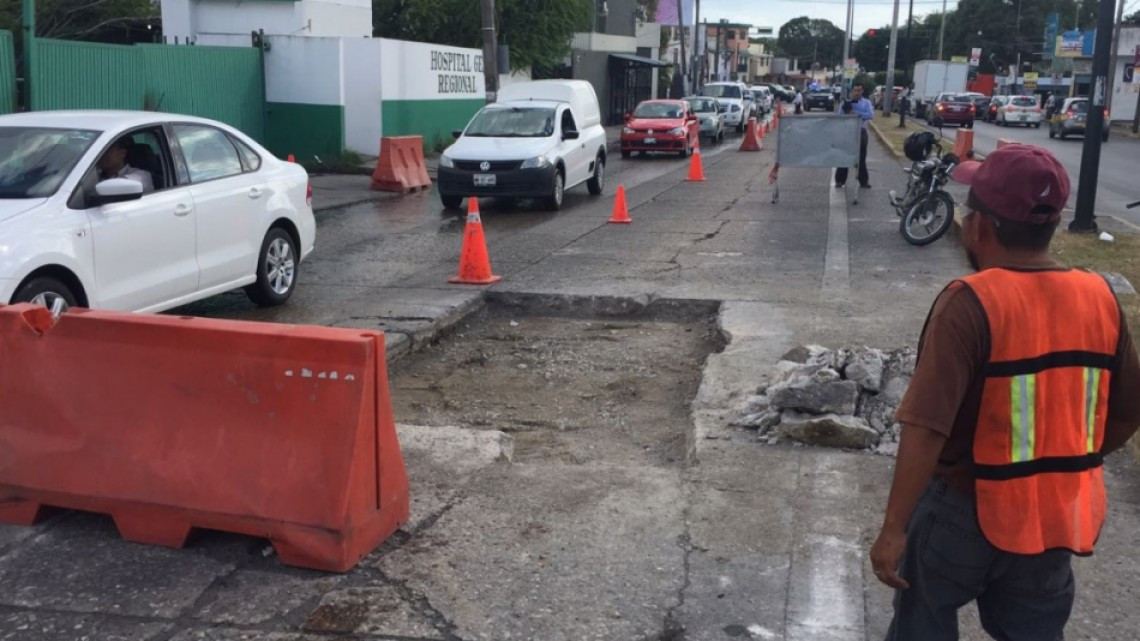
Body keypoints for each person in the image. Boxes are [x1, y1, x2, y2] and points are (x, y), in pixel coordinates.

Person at [869, 144, 1140, 641]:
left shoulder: (970, 303)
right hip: (1051, 515)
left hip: (963, 509)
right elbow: (1126, 414)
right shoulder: (1099, 297)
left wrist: (893, 528)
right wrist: (1061, 463)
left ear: (980, 227)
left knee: (922, 624)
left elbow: (926, 429)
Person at [834, 84, 873, 189]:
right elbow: (839, 116)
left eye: (859, 90)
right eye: (855, 90)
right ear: (852, 91)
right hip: (848, 132)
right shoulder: (846, 102)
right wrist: (845, 109)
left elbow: (870, 115)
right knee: (844, 157)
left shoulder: (866, 103)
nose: (857, 92)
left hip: (861, 132)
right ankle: (839, 181)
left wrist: (855, 112)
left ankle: (863, 181)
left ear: (862, 91)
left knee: (861, 158)